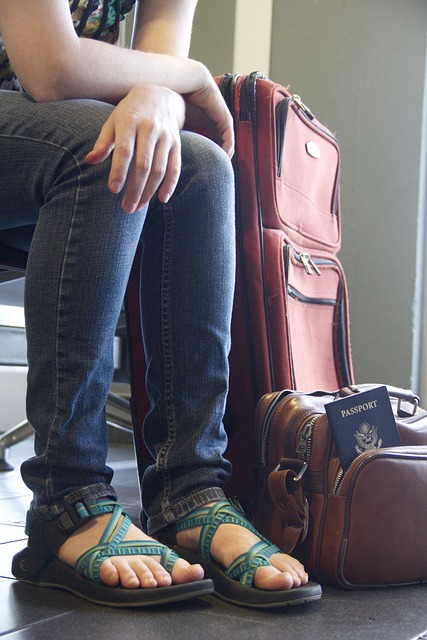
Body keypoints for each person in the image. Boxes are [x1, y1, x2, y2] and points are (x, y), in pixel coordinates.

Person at [0, 0, 321, 609]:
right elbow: (48, 65)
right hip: (38, 128)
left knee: (198, 167)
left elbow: (157, 70)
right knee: (105, 153)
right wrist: (190, 81)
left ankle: (189, 492)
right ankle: (67, 500)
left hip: (47, 136)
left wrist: (165, 98)